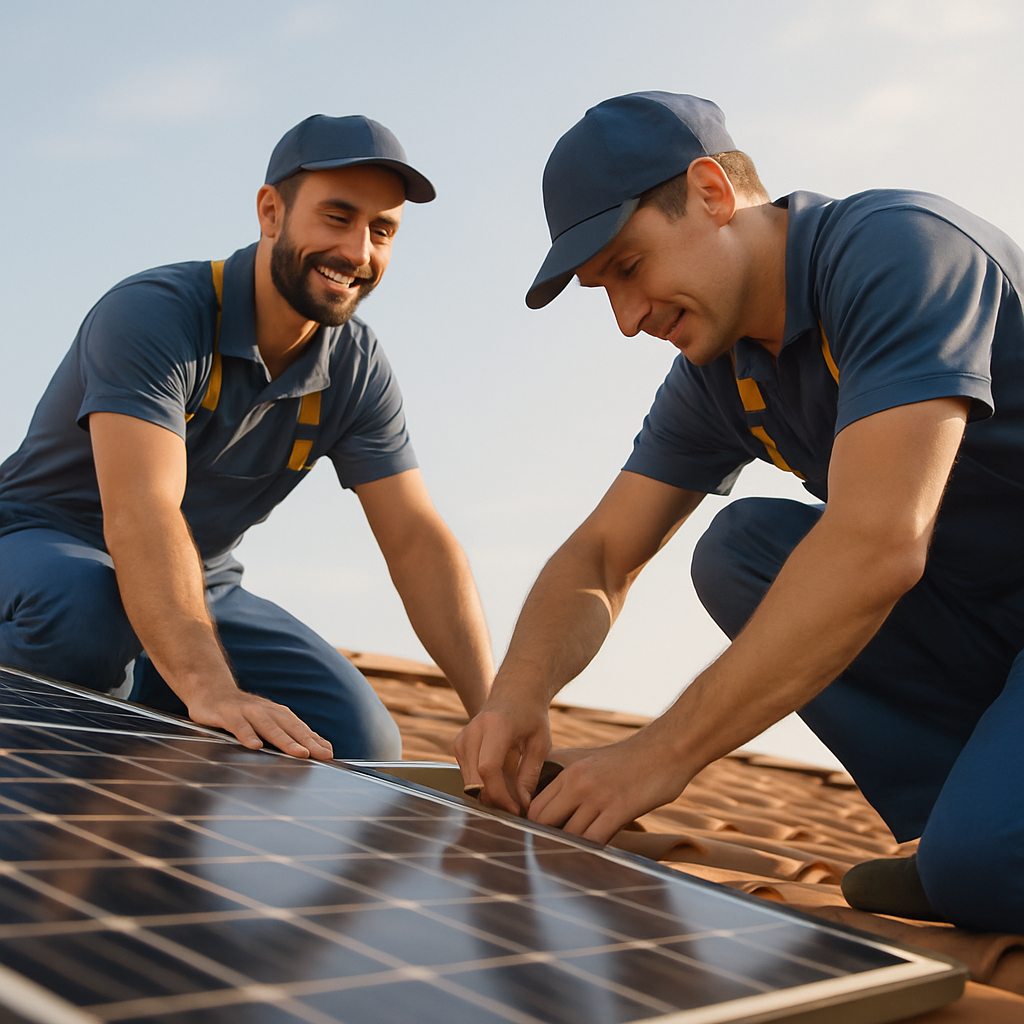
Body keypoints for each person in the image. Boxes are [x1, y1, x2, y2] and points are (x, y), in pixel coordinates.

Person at [455, 91, 1024, 934]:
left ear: (713, 194)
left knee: (982, 867)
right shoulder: (720, 376)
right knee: (742, 550)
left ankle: (978, 847)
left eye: (627, 267)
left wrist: (661, 754)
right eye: (599, 289)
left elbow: (878, 545)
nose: (625, 319)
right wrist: (516, 693)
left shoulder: (900, 251)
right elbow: (602, 555)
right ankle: (960, 822)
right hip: (990, 622)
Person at [0, 114, 493, 762]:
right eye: (337, 217)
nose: (358, 252)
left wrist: (492, 714)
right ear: (270, 212)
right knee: (90, 618)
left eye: (383, 231)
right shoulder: (156, 313)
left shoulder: (357, 368)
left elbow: (416, 540)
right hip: (43, 545)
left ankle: (149, 686)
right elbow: (140, 511)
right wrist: (210, 687)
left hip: (201, 581)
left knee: (357, 737)